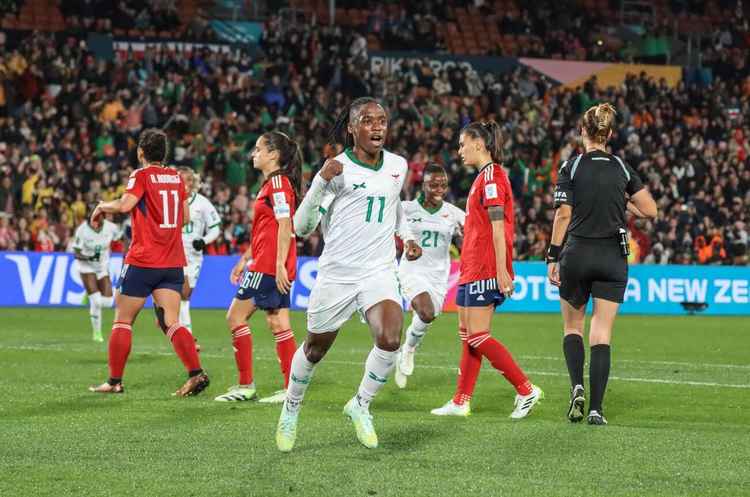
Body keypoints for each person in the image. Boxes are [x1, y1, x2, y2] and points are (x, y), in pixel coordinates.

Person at [275, 97, 421, 452]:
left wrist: (409, 236)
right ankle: (291, 406)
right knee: (314, 348)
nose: (377, 127)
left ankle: (361, 404)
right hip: (338, 274)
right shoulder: (336, 169)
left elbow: (393, 206)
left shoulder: (398, 166)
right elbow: (302, 226)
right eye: (367, 121)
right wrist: (320, 183)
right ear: (352, 128)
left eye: (382, 121)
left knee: (389, 337)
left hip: (379, 271)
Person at [547, 103, 657, 425]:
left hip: (578, 254)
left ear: (583, 131)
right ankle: (596, 408)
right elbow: (651, 211)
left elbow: (563, 214)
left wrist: (553, 255)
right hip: (612, 257)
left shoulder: (572, 166)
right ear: (609, 134)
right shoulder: (622, 168)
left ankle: (577, 387)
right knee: (602, 333)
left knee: (572, 328)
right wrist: (625, 203)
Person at [431, 121, 543, 419]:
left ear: (479, 143)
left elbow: (498, 227)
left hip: (486, 267)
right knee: (467, 334)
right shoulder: (481, 178)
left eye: (462, 143)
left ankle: (525, 389)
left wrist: (502, 270)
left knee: (479, 335)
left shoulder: (492, 176)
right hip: (471, 265)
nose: (460, 150)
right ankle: (460, 400)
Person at [88, 128, 209, 396]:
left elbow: (125, 205)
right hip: (172, 262)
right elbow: (185, 218)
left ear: (141, 152)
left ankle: (114, 381)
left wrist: (101, 206)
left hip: (143, 260)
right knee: (172, 322)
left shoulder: (140, 175)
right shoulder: (176, 178)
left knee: (122, 320)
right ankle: (195, 373)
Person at [214, 131, 301, 404]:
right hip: (267, 262)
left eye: (258, 149)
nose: (254, 154)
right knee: (278, 323)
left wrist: (277, 266)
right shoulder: (272, 185)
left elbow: (286, 225)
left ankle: (246, 385)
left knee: (235, 318)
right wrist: (243, 259)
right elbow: (267, 230)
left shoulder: (277, 184)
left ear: (273, 154)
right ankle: (290, 389)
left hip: (269, 266)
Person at [394, 163, 465, 389]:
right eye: (434, 184)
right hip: (412, 270)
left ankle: (409, 347)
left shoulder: (453, 213)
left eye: (443, 185)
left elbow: (473, 230)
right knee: (424, 309)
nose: (439, 189)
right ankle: (406, 350)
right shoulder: (405, 209)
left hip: (438, 276)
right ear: (423, 184)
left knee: (428, 315)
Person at [177, 166, 221, 331]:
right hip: (171, 253)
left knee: (185, 295)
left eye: (189, 179)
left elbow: (215, 228)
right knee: (183, 295)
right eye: (181, 179)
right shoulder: (168, 201)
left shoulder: (202, 203)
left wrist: (203, 241)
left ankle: (175, 326)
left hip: (192, 256)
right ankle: (187, 336)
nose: (185, 183)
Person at [72, 211, 122, 342]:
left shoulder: (111, 227)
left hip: (102, 268)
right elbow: (76, 252)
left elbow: (121, 237)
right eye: (91, 217)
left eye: (96, 218)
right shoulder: (82, 230)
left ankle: (88, 295)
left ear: (103, 217)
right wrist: (88, 257)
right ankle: (97, 333)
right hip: (86, 267)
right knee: (96, 302)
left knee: (108, 302)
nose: (93, 221)